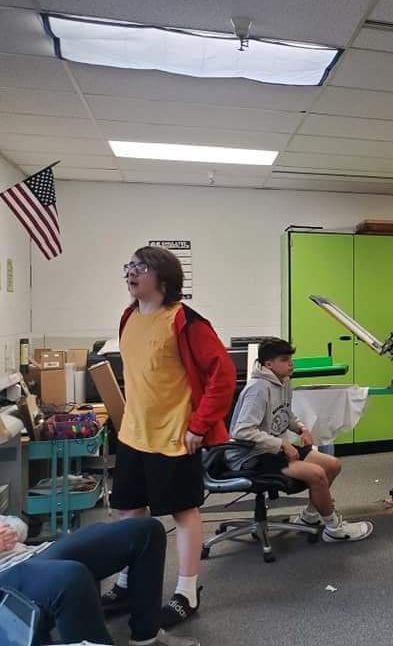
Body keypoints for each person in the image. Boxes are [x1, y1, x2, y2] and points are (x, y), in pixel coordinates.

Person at [101, 246, 237, 628]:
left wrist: (199, 425)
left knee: (183, 512)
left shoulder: (187, 321)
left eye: (140, 267)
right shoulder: (129, 316)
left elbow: (223, 375)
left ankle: (187, 592)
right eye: (129, 265)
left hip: (175, 435)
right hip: (133, 434)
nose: (131, 272)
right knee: (129, 511)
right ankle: (127, 584)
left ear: (163, 277)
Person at [228, 337, 373, 542]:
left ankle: (310, 517)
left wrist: (301, 428)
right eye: (285, 359)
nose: (291, 363)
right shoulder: (258, 389)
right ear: (268, 364)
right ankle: (334, 529)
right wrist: (282, 444)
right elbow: (242, 431)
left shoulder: (283, 382)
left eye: (290, 358)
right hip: (251, 456)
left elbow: (285, 414)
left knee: (332, 465)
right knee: (317, 474)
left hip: (272, 450)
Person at [0, 515, 196, 646]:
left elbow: (14, 520)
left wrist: (14, 531)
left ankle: (146, 638)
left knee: (147, 531)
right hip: (7, 576)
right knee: (71, 577)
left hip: (36, 552)